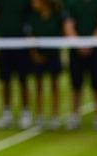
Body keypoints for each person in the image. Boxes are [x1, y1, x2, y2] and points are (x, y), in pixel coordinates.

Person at [63, 0, 97, 130]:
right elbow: (68, 25)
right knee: (76, 84)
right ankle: (74, 116)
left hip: (96, 50)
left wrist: (91, 43)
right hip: (76, 50)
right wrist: (79, 43)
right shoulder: (71, 4)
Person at [0, 0, 33, 130]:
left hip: (21, 43)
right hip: (5, 43)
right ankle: (6, 113)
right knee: (5, 80)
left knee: (23, 80)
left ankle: (26, 112)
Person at [26, 0, 63, 130]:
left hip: (53, 54)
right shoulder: (32, 16)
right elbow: (30, 36)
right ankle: (40, 116)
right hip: (38, 56)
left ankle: (55, 116)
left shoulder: (57, 15)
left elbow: (61, 33)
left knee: (54, 85)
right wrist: (35, 54)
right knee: (38, 86)